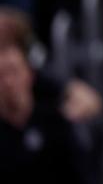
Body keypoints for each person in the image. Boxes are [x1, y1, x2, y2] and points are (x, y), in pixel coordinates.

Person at [0, 43, 92, 184]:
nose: (8, 82)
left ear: (29, 75)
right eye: (2, 76)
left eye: (14, 72)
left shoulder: (54, 122)